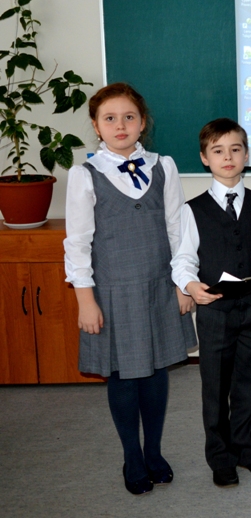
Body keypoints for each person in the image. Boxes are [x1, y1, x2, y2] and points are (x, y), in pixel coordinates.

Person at [64, 83, 197, 496]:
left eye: (129, 117)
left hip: (159, 287)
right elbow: (77, 242)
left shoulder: (163, 166)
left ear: (142, 123)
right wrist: (85, 300)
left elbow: (177, 230)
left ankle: (153, 451)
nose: (120, 125)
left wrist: (183, 284)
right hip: (112, 292)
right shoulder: (85, 175)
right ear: (96, 126)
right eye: (110, 118)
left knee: (156, 371)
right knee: (123, 376)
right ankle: (132, 456)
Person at [171, 118, 251, 488]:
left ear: (246, 155)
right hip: (215, 313)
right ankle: (220, 456)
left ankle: (246, 448)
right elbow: (183, 259)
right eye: (218, 151)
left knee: (250, 383)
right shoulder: (193, 209)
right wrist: (191, 286)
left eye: (235, 149)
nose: (228, 157)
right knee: (216, 387)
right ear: (205, 158)